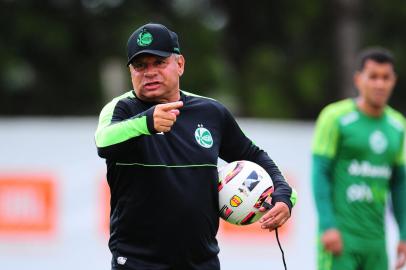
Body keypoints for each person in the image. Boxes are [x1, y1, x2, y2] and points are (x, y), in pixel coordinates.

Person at [95, 22, 297, 270]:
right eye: (140, 66)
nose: (149, 72)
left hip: (202, 262)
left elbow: (252, 155)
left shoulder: (211, 112)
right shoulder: (123, 109)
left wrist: (284, 195)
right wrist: (146, 122)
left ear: (179, 64)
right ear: (131, 73)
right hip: (137, 262)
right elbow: (103, 141)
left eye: (159, 63)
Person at [312, 47, 406, 270]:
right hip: (341, 238)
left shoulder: (397, 125)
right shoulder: (335, 117)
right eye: (373, 77)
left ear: (394, 80)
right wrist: (327, 226)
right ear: (358, 79)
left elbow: (400, 185)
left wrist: (403, 234)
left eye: (386, 77)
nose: (380, 84)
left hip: (376, 242)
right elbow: (320, 174)